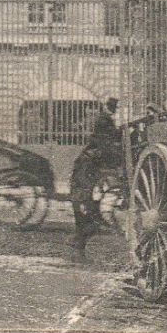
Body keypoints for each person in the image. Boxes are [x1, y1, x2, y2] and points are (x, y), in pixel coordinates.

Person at [69, 97, 121, 260]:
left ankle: (78, 245)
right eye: (111, 107)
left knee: (88, 217)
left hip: (85, 190)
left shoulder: (104, 119)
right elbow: (108, 138)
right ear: (107, 107)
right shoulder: (103, 120)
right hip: (83, 192)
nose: (113, 109)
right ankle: (78, 246)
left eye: (114, 107)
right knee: (86, 216)